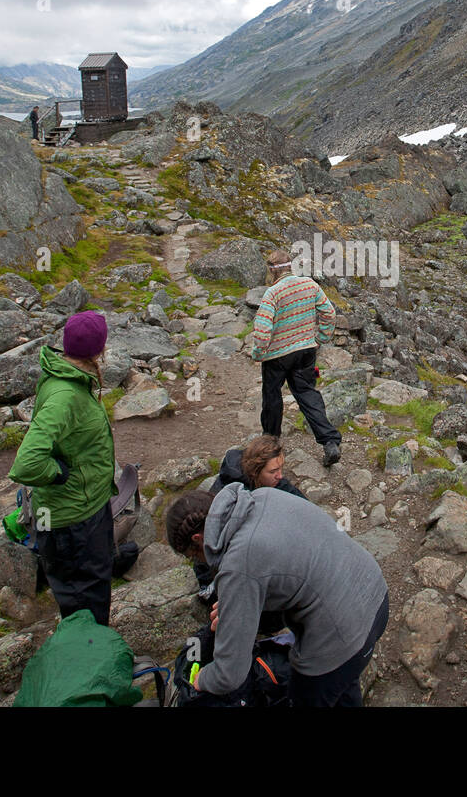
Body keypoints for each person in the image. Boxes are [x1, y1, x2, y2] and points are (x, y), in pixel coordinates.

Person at [166, 486, 388, 707]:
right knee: (343, 681)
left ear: (197, 539)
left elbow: (229, 674)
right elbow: (282, 568)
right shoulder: (261, 497)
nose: (200, 562)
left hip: (340, 638)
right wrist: (236, 607)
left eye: (194, 555)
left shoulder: (238, 565)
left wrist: (202, 678)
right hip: (374, 595)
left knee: (308, 695)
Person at [8, 310, 118, 625]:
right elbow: (26, 463)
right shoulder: (65, 395)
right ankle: (90, 656)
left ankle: (89, 647)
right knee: (87, 600)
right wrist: (58, 473)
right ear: (99, 350)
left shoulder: (67, 375)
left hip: (85, 509)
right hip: (74, 520)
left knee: (89, 590)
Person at [251, 249, 341, 466]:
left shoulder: (272, 293)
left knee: (272, 396)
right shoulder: (310, 285)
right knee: (307, 393)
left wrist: (259, 353)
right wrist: (321, 337)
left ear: (272, 271)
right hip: (305, 351)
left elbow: (263, 331)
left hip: (277, 355)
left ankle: (270, 444)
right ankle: (330, 442)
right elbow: (329, 313)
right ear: (290, 266)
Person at [193, 435, 307, 605]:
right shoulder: (226, 498)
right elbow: (209, 540)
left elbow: (304, 507)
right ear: (256, 471)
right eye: (273, 471)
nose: (280, 476)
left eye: (280, 468)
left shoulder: (273, 481)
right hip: (224, 563)